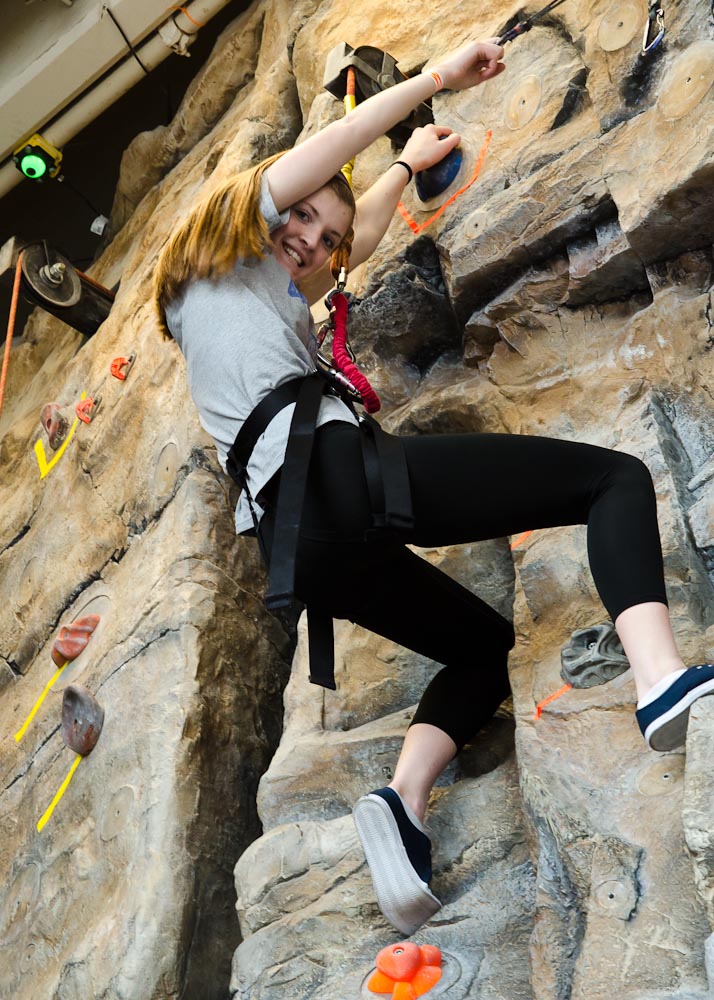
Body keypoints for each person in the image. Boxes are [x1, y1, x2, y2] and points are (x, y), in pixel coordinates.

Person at [154, 39, 714, 937]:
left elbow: (360, 237)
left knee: (479, 651)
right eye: (297, 218)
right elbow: (321, 160)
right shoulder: (214, 256)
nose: (312, 242)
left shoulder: (251, 306)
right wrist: (432, 83)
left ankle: (404, 803)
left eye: (322, 238)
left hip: (305, 550)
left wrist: (404, 169)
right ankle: (663, 681)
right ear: (259, 204)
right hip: (335, 483)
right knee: (614, 479)